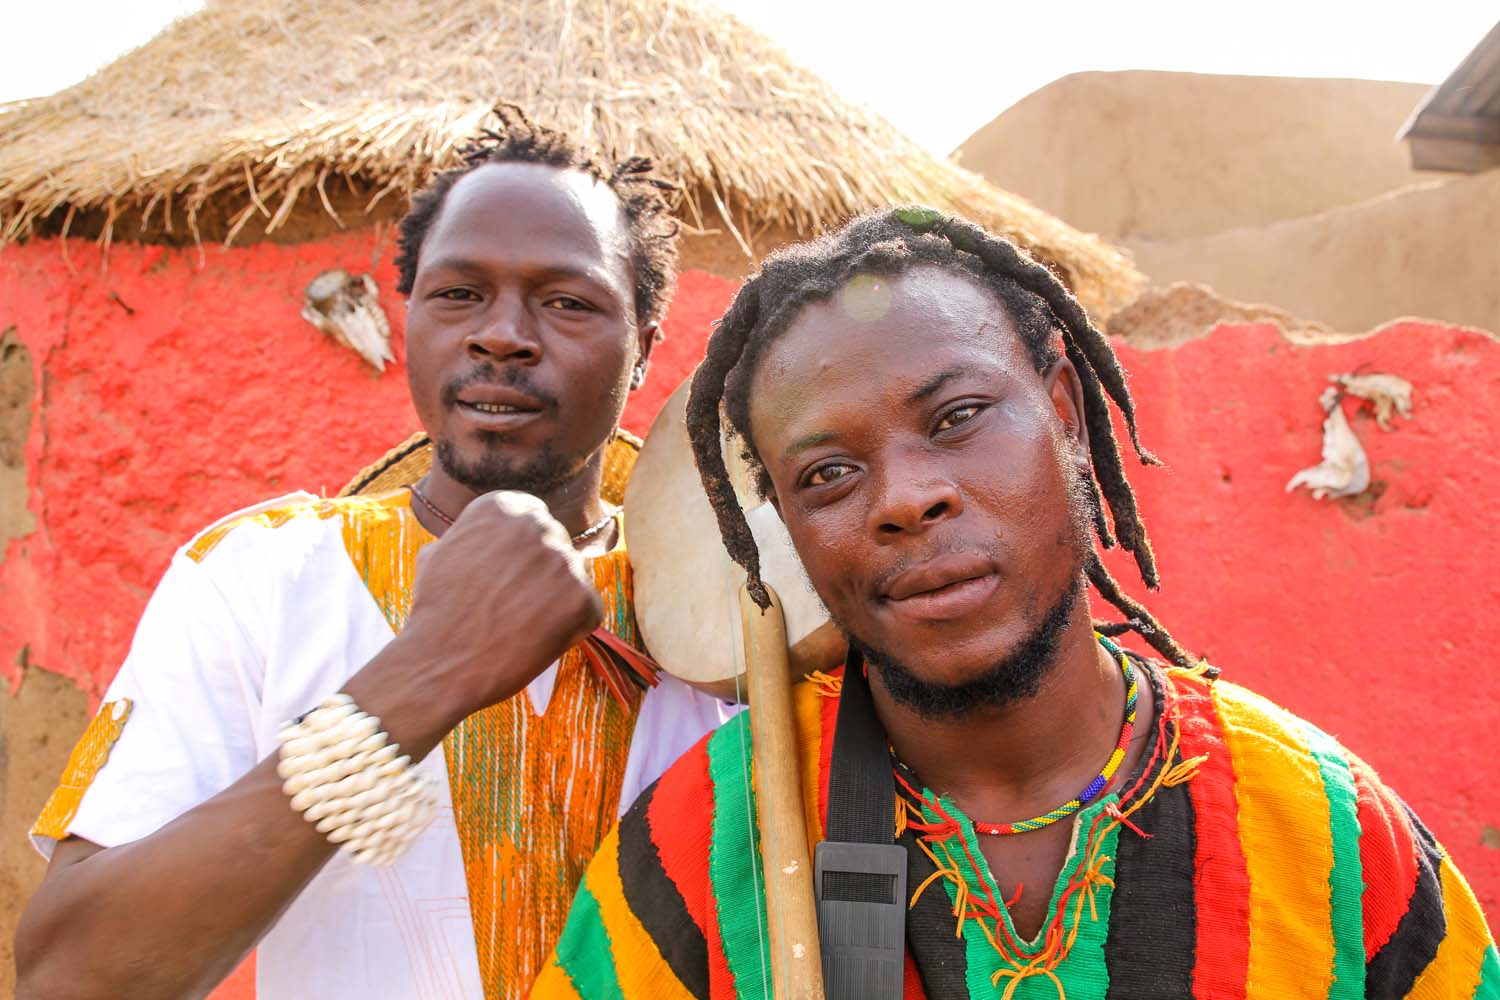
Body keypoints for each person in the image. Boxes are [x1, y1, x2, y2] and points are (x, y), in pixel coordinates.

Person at [536, 208, 1500, 999]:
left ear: (1067, 414)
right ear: (787, 526)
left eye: (957, 418)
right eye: (828, 474)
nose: (906, 498)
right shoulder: (703, 845)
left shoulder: (1327, 838)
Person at [15, 109, 736, 1000]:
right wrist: (424, 673)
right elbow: (72, 978)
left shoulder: (728, 613)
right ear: (410, 322)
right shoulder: (263, 579)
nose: (501, 335)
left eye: (566, 302)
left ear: (644, 350)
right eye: (458, 294)